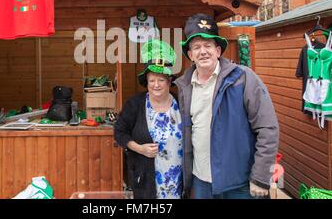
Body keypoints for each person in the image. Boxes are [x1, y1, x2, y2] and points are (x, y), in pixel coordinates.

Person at [174, 14, 279, 199]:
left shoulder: (243, 78)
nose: (203, 51)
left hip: (239, 182)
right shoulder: (185, 87)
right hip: (201, 181)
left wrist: (261, 176)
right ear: (190, 55)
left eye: (208, 46)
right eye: (197, 47)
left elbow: (268, 128)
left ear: (218, 51)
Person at [114, 40, 183, 199]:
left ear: (169, 81)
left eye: (161, 80)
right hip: (145, 179)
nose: (156, 85)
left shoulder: (181, 104)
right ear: (146, 82)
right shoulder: (135, 104)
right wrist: (139, 148)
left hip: (177, 180)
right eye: (152, 80)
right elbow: (120, 132)